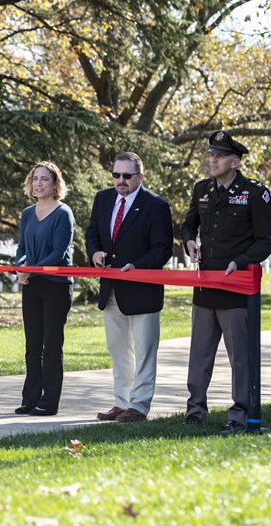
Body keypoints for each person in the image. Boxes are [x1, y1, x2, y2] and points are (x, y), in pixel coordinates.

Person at [180, 130, 271, 436]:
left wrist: (243, 261)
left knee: (240, 359)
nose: (213, 160)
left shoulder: (254, 192)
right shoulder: (202, 189)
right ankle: (195, 411)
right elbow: (188, 225)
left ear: (235, 161)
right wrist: (189, 242)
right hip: (206, 285)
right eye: (211, 155)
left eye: (219, 156)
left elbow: (266, 242)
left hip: (236, 288)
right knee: (199, 355)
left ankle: (240, 415)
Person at [85, 152, 173, 423]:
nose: (120, 181)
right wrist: (95, 252)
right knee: (118, 349)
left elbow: (163, 249)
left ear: (140, 177)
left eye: (126, 176)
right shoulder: (103, 199)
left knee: (145, 351)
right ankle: (121, 402)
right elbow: (92, 233)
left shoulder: (156, 206)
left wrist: (137, 266)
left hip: (143, 289)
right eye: (116, 175)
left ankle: (140, 406)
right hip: (111, 288)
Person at [14, 161, 75, 416]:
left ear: (55, 184)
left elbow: (59, 252)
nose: (38, 183)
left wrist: (32, 270)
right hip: (31, 284)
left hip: (55, 286)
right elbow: (21, 249)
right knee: (32, 344)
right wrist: (20, 268)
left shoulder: (63, 213)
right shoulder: (28, 213)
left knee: (51, 345)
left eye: (45, 179)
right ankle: (30, 398)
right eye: (35, 178)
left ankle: (49, 402)